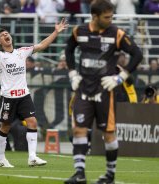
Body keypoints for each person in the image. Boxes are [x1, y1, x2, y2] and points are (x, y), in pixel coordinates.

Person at [64, 0, 143, 183]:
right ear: (94, 16)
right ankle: (80, 173)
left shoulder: (117, 33)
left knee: (108, 134)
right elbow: (68, 50)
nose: (110, 20)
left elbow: (137, 54)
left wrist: (121, 77)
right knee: (79, 130)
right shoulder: (79, 31)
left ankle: (110, 175)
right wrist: (72, 73)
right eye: (106, 17)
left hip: (105, 91)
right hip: (83, 89)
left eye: (111, 16)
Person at [0, 18, 68, 167]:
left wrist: (55, 32)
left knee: (32, 122)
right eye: (2, 35)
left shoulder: (22, 52)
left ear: (11, 37)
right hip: (8, 98)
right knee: (5, 127)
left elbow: (42, 45)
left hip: (24, 96)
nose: (5, 36)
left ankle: (32, 157)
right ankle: (0, 158)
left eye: (7, 33)